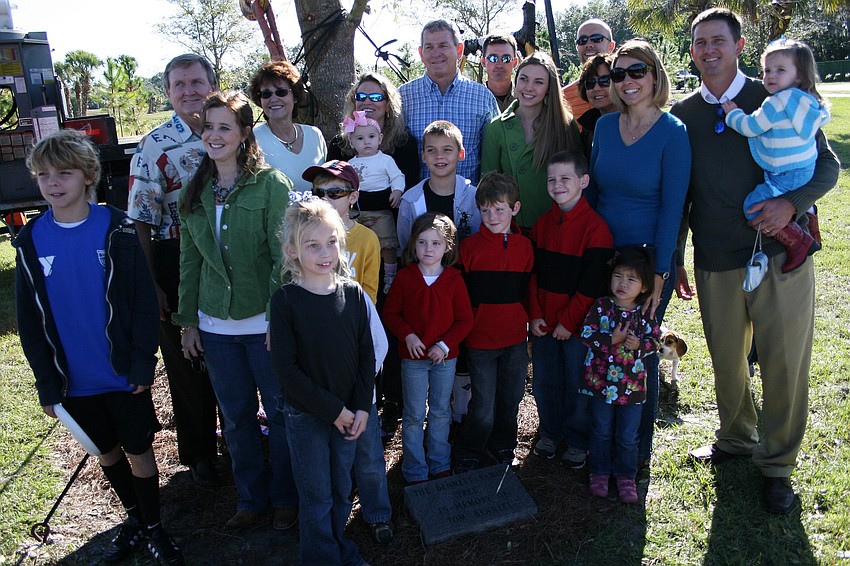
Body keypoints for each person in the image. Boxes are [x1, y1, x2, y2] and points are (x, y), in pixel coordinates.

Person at [671, 7, 838, 514]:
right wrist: (676, 256)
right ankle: (737, 438)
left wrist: (792, 203)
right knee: (726, 362)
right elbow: (680, 193)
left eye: (718, 40)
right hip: (716, 256)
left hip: (780, 253)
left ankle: (778, 464)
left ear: (739, 45)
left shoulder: (776, 93)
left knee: (785, 363)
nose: (708, 50)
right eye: (699, 42)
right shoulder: (684, 115)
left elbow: (827, 165)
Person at [16, 130, 184, 565]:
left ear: (88, 175)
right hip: (74, 378)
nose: (53, 183)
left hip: (121, 374)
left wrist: (142, 364)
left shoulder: (117, 227)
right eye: (44, 175)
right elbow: (30, 321)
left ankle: (155, 529)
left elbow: (143, 305)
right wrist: (47, 385)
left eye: (64, 173)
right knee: (105, 451)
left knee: (139, 451)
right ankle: (137, 521)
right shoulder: (30, 240)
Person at [174, 91, 297, 531]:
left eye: (225, 127)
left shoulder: (271, 185)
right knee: (237, 416)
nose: (214, 135)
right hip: (215, 325)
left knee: (281, 413)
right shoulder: (195, 191)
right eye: (208, 126)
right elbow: (189, 261)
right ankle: (250, 499)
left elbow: (283, 259)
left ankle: (285, 497)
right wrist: (189, 322)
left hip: (263, 324)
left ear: (245, 133)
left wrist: (275, 318)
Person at [588, 39, 691, 481]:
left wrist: (662, 274)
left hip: (648, 266)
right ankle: (596, 445)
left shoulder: (673, 132)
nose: (627, 81)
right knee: (601, 349)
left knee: (640, 354)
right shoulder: (605, 128)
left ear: (654, 75)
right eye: (619, 74)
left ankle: (636, 452)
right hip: (603, 259)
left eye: (637, 72)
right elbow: (593, 193)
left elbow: (674, 207)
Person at [126, 53, 219, 490]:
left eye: (196, 82)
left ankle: (238, 441)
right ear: (168, 92)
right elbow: (141, 219)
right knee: (187, 362)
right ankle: (200, 455)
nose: (189, 91)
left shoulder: (231, 132)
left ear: (211, 84)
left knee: (228, 352)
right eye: (179, 84)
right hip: (174, 257)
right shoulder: (155, 144)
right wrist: (152, 285)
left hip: (226, 256)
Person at [270, 199, 377, 566]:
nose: (324, 252)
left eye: (331, 241)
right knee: (317, 495)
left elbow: (367, 356)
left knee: (342, 490)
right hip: (308, 417)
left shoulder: (354, 295)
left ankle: (336, 546)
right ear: (292, 251)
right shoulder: (285, 301)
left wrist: (362, 407)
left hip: (350, 414)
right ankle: (323, 557)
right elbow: (286, 371)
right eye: (312, 245)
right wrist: (334, 411)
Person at [301, 160, 395, 543]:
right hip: (316, 363)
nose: (326, 199)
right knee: (329, 453)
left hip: (356, 356)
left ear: (353, 197)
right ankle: (335, 516)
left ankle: (377, 512)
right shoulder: (303, 239)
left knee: (368, 449)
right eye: (319, 193)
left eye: (336, 193)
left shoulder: (366, 241)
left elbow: (369, 299)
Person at [529, 151, 613, 468]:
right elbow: (533, 275)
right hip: (544, 323)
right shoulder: (541, 225)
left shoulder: (596, 229)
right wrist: (535, 314)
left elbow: (591, 286)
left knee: (578, 382)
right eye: (552, 179)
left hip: (577, 327)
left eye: (565, 178)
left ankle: (577, 439)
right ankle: (549, 431)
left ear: (583, 181)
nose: (557, 184)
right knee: (545, 381)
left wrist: (568, 321)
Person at [721, 38, 830, 274]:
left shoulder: (776, 102)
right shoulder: (806, 102)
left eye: (780, 70)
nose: (770, 76)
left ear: (799, 75)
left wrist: (733, 115)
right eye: (767, 70)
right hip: (803, 168)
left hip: (786, 174)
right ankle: (809, 214)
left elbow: (751, 126)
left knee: (752, 206)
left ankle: (799, 241)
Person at [383, 213, 474, 484]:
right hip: (413, 358)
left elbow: (465, 320)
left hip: (444, 358)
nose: (428, 249)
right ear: (413, 245)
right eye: (422, 243)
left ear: (447, 247)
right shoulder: (405, 278)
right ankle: (414, 468)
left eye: (435, 243)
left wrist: (445, 345)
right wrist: (407, 335)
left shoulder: (454, 279)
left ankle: (439, 462)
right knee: (412, 414)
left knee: (440, 410)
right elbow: (391, 313)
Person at [453, 172, 533, 472]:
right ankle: (470, 447)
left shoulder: (525, 248)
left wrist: (531, 325)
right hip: (480, 342)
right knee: (483, 406)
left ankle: (503, 446)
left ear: (515, 208)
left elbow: (529, 291)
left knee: (510, 400)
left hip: (514, 339)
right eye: (485, 210)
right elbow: (462, 298)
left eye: (499, 209)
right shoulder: (470, 249)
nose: (491, 216)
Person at [579, 247, 661, 504]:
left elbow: (656, 342)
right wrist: (609, 339)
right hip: (600, 384)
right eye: (618, 276)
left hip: (632, 388)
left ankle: (626, 476)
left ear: (645, 287)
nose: (622, 284)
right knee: (601, 430)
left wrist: (640, 346)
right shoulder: (601, 307)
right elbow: (586, 335)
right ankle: (599, 472)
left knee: (628, 435)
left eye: (631, 279)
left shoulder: (645, 315)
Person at [482, 51, 583, 230]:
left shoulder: (565, 125)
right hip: (512, 231)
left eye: (538, 82)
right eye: (524, 79)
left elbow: (578, 181)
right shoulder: (495, 128)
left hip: (558, 227)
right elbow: (488, 189)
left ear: (548, 88)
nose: (529, 87)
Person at [400, 19, 499, 183]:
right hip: (417, 204)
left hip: (470, 202)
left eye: (443, 45)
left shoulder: (483, 97)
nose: (435, 53)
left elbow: (494, 155)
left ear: (459, 50)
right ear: (421, 53)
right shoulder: (403, 97)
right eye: (429, 47)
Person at [342, 110, 405, 293]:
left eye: (371, 136)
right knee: (356, 245)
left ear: (380, 138)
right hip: (357, 212)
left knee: (387, 245)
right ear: (352, 142)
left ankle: (390, 274)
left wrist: (397, 191)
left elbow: (397, 176)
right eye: (360, 138)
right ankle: (355, 273)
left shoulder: (385, 160)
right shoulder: (350, 164)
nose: (366, 141)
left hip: (381, 213)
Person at [249, 59, 327, 204]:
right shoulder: (253, 138)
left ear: (295, 96)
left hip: (317, 222)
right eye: (266, 94)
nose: (274, 99)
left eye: (281, 92)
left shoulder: (314, 135)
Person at [397, 120, 481, 251]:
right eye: (431, 150)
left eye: (447, 150)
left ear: (461, 154)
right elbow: (405, 247)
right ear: (423, 156)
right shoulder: (410, 201)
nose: (439, 156)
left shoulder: (475, 198)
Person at [328, 72, 420, 191]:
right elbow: (330, 188)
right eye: (361, 97)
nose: (367, 102)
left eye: (375, 97)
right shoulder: (339, 144)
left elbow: (409, 190)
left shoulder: (404, 143)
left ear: (388, 105)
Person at [562, 18, 616, 126]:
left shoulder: (626, 88)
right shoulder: (562, 97)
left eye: (596, 39)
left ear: (611, 46)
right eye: (582, 41)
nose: (588, 44)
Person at [576, 54, 616, 155]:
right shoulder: (588, 130)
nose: (596, 88)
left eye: (604, 81)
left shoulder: (635, 124)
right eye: (590, 82)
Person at [482, 33, 519, 112]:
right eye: (493, 58)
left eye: (506, 58)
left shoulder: (525, 99)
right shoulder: (474, 99)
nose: (499, 64)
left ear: (515, 62)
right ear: (483, 62)